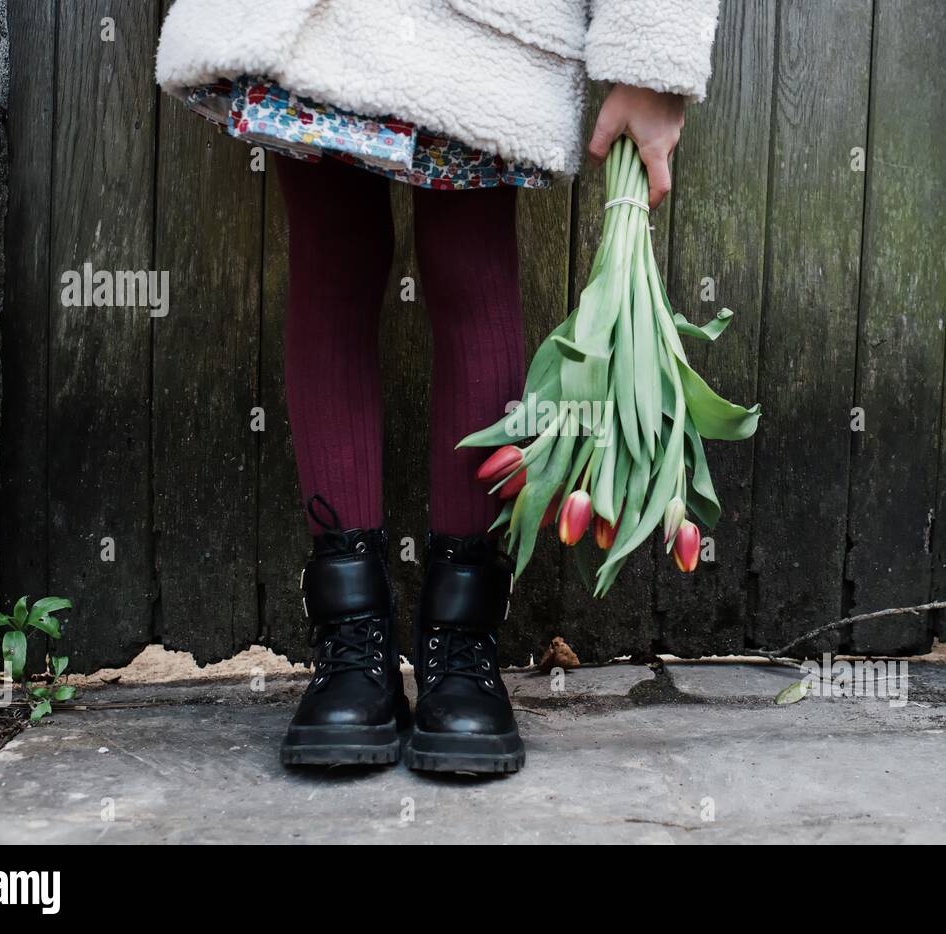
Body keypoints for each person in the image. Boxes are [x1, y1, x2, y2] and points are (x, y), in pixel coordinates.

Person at [156, 0, 719, 774]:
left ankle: (462, 649)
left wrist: (654, 63)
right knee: (330, 262)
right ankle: (353, 649)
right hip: (312, 21)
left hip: (485, 26)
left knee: (472, 271)